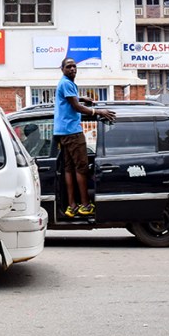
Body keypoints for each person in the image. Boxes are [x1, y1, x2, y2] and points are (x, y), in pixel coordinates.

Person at [54, 57, 115, 218]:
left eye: (74, 66)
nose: (73, 69)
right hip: (72, 132)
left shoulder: (64, 83)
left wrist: (82, 98)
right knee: (81, 168)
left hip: (62, 132)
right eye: (69, 67)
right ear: (62, 69)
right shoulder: (67, 83)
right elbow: (76, 106)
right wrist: (98, 112)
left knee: (69, 168)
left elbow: (71, 100)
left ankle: (72, 206)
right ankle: (86, 205)